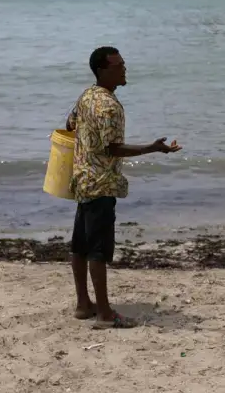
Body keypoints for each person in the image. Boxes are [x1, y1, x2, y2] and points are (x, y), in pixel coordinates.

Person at [64, 46, 182, 328]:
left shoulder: (87, 96)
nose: (124, 69)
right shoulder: (109, 106)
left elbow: (69, 125)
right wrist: (153, 148)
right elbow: (113, 149)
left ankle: (83, 304)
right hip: (102, 184)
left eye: (123, 64)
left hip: (82, 180)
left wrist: (87, 142)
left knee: (80, 245)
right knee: (98, 250)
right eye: (118, 66)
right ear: (102, 71)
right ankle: (105, 314)